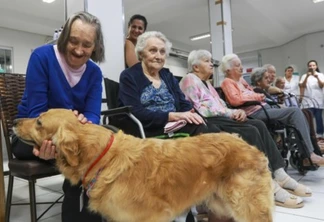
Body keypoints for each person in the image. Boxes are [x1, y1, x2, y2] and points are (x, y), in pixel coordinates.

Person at [118, 31, 238, 222]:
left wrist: (189, 114)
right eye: (153, 50)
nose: (158, 56)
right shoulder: (129, 76)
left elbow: (183, 103)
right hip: (150, 129)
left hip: (177, 125)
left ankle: (212, 201)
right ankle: (214, 206)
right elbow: (135, 112)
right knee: (210, 139)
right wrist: (171, 115)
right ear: (141, 53)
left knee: (214, 137)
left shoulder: (167, 75)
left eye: (162, 52)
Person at [179, 49, 310, 210]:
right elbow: (201, 109)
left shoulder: (207, 84)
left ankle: (279, 172)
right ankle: (265, 183)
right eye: (207, 61)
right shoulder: (189, 80)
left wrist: (235, 112)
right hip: (208, 121)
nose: (211, 64)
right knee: (250, 131)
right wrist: (232, 112)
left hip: (221, 116)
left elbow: (220, 105)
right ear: (196, 66)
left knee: (259, 125)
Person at [13, 11, 105, 222]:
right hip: (30, 136)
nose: (79, 50)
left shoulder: (94, 73)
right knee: (78, 156)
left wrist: (83, 123)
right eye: (73, 41)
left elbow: (92, 115)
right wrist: (68, 121)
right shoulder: (41, 57)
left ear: (95, 47)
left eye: (87, 44)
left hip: (68, 139)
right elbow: (37, 113)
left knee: (94, 150)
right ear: (64, 38)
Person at [220, 54, 324, 167]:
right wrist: (258, 97)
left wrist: (259, 96)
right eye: (238, 65)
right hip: (254, 113)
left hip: (264, 108)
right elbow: (235, 100)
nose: (241, 67)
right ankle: (309, 155)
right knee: (295, 112)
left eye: (241, 64)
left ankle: (310, 152)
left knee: (300, 113)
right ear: (228, 70)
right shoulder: (227, 82)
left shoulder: (241, 80)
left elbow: (253, 92)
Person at [299, 60, 324, 139]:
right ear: (308, 67)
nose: (312, 67)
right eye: (310, 66)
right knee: (308, 119)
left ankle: (320, 134)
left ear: (316, 66)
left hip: (318, 100)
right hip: (308, 101)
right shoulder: (304, 76)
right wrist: (307, 76)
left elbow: (321, 85)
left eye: (313, 65)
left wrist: (317, 77)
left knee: (319, 118)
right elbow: (302, 86)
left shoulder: (320, 75)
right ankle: (311, 135)